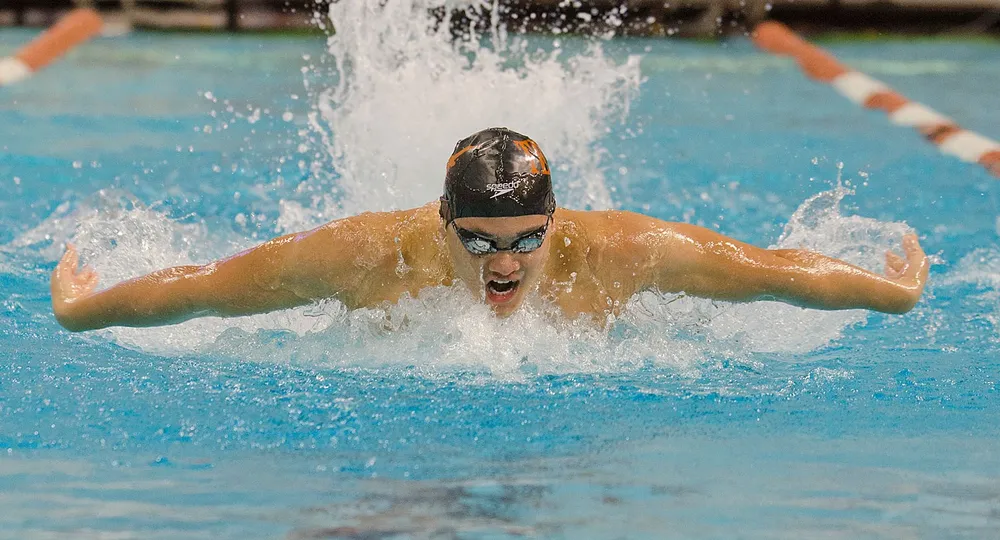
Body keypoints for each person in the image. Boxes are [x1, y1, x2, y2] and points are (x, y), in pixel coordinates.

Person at [51, 127, 928, 332]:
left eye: (521, 240)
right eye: (476, 240)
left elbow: (772, 271)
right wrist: (83, 311)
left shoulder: (620, 253)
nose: (501, 264)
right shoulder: (366, 257)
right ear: (443, 223)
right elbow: (208, 288)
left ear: (555, 224)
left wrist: (891, 293)